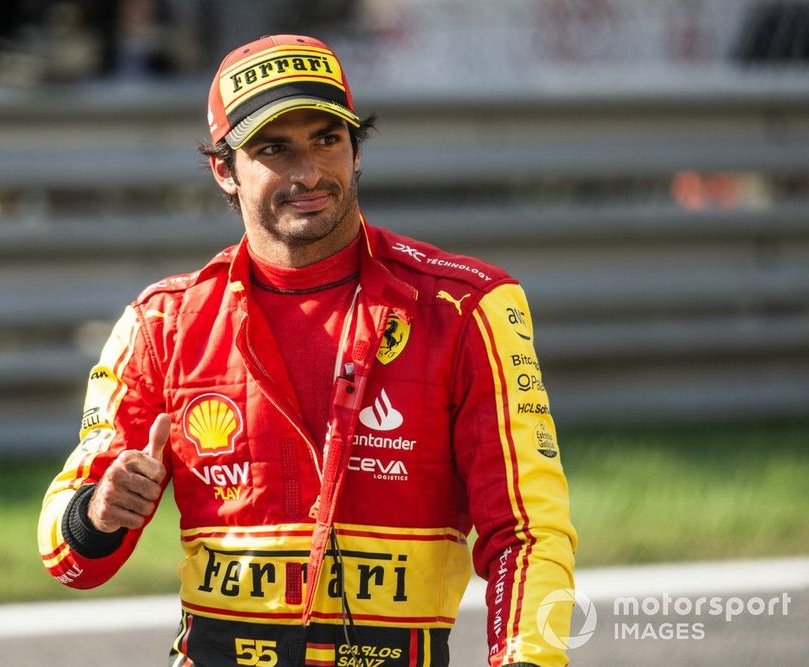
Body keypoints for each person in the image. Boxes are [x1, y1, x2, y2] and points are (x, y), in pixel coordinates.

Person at [38, 34, 577, 667]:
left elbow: (528, 532)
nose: (310, 173)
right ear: (224, 170)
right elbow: (68, 560)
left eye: (327, 140)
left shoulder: (466, 308)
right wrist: (97, 514)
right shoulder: (161, 323)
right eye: (275, 149)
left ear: (357, 149)